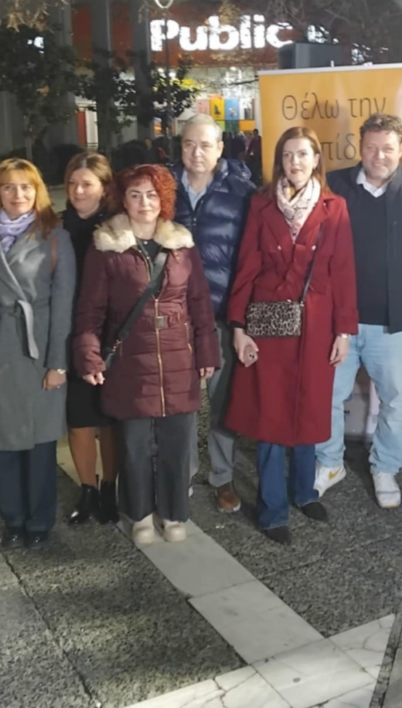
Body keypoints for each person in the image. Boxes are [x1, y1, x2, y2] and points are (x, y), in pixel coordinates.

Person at [224, 126, 358, 545]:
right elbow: (246, 265)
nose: (295, 162)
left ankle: (304, 492)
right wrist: (238, 327)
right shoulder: (261, 204)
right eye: (288, 155)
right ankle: (272, 510)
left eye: (303, 154)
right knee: (270, 416)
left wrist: (344, 331)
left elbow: (343, 271)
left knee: (309, 410)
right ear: (279, 161)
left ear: (317, 159)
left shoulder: (335, 206)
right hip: (269, 321)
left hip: (317, 324)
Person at [74, 165, 219, 545]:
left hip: (178, 357)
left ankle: (174, 513)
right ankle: (138, 513)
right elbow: (90, 310)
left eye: (152, 195)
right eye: (135, 194)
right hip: (130, 361)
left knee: (177, 443)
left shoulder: (181, 245)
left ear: (164, 200)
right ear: (123, 199)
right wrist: (89, 355)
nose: (144, 203)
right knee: (134, 444)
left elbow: (200, 304)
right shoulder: (106, 247)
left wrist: (207, 351)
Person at [315, 114, 402, 508]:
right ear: (360, 148)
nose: (378, 155)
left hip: (398, 323)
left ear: (401, 149)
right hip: (340, 322)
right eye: (371, 147)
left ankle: (385, 467)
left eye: (387, 148)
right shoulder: (333, 185)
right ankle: (329, 462)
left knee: (396, 400)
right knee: (326, 396)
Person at [0, 158, 75, 548]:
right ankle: (12, 520)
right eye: (9, 187)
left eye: (26, 187)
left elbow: (64, 303)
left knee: (40, 444)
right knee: (2, 443)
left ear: (38, 191)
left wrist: (58, 362)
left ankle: (40, 522)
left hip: (40, 345)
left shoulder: (54, 235)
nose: (18, 195)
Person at [171, 115, 255, 513]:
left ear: (220, 148)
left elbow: (249, 259)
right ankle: (183, 473)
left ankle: (222, 477)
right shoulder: (163, 189)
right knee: (182, 400)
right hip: (176, 315)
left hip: (221, 311)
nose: (197, 152)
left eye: (205, 145)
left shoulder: (241, 193)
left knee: (222, 401)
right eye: (189, 144)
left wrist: (241, 317)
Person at [60, 151, 120, 525]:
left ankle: (111, 486)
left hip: (110, 334)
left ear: (104, 187)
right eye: (72, 183)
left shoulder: (117, 228)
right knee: (79, 416)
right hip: (69, 332)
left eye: (87, 184)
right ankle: (88, 489)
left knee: (108, 416)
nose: (78, 191)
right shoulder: (56, 227)